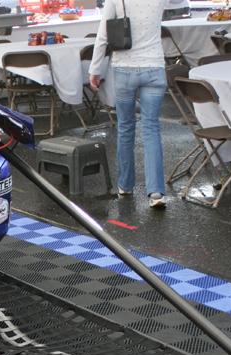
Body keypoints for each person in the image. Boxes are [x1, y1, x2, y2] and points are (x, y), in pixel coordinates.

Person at [89, 0, 168, 208]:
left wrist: (95, 69)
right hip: (154, 66)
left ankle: (125, 185)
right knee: (151, 128)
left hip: (124, 68)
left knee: (125, 127)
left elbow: (103, 34)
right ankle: (156, 192)